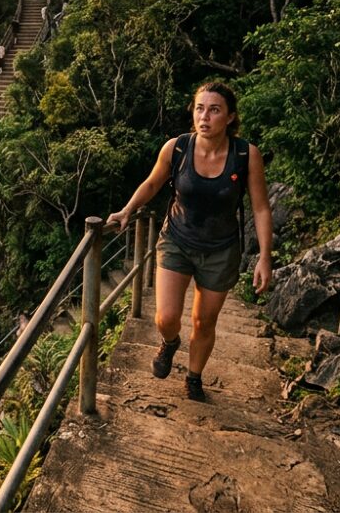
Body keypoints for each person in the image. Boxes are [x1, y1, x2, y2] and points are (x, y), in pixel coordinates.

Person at [105, 82, 273, 401]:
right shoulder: (177, 147)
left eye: (214, 109)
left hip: (221, 249)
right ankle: (170, 343)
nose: (204, 116)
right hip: (177, 240)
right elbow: (153, 182)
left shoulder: (245, 155)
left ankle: (194, 378)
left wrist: (265, 256)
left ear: (230, 117)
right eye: (199, 108)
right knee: (166, 317)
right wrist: (128, 210)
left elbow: (261, 207)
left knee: (204, 320)